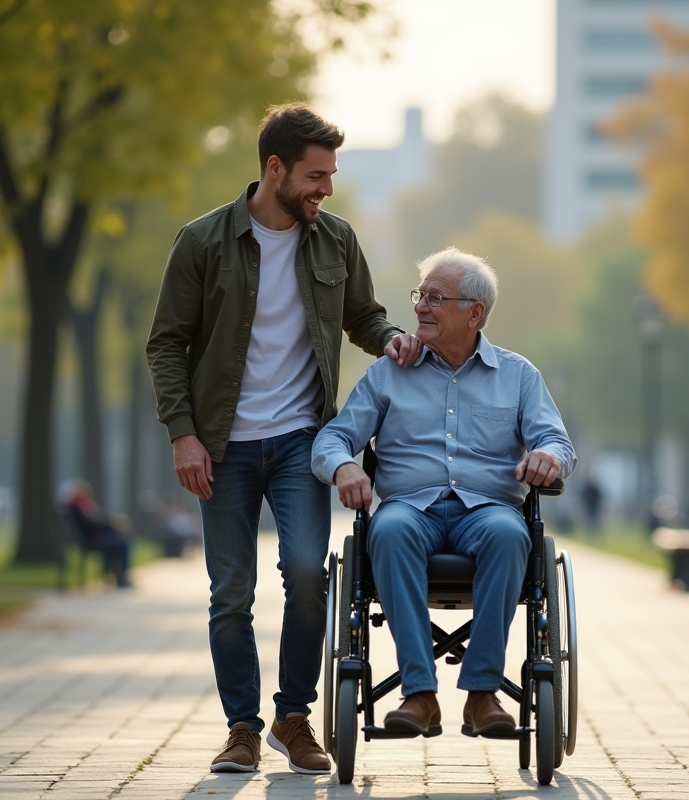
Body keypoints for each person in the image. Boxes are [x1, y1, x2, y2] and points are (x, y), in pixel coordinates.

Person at [146, 103, 421, 775]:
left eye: (330, 175)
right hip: (223, 447)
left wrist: (391, 340)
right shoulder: (203, 242)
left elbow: (363, 315)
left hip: (303, 439)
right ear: (275, 169)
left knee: (306, 574)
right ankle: (240, 728)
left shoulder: (335, 239)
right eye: (316, 175)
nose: (326, 188)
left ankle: (292, 719)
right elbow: (167, 345)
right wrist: (184, 435)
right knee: (230, 591)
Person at [311, 247, 575, 737]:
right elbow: (333, 436)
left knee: (508, 534)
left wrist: (550, 457)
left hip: (489, 510)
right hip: (410, 511)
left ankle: (481, 695)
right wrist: (345, 466)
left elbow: (556, 441)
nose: (419, 308)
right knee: (387, 532)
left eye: (435, 298)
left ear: (474, 313)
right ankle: (420, 694)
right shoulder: (389, 373)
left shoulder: (518, 377)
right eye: (420, 295)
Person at [59, 479, 132, 588]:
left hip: (91, 538)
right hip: (90, 540)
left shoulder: (78, 504)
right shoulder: (78, 505)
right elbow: (90, 524)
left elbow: (96, 520)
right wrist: (111, 524)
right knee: (122, 543)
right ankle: (121, 579)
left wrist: (111, 524)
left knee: (118, 540)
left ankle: (114, 577)